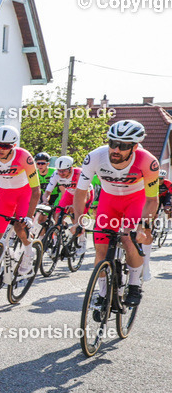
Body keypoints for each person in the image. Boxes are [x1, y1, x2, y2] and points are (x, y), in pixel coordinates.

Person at [73, 120, 159, 308]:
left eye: (123, 145)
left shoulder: (148, 161)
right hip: (108, 201)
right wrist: (77, 221)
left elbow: (152, 200)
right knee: (101, 250)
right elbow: (80, 192)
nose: (116, 149)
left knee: (130, 239)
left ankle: (135, 285)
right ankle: (103, 293)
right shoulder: (95, 156)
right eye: (112, 143)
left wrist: (143, 227)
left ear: (134, 147)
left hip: (135, 201)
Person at [0, 125, 41, 277]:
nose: (1, 149)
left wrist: (30, 216)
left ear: (13, 146)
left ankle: (28, 253)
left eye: (5, 146)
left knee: (20, 228)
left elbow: (36, 190)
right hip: (4, 194)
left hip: (24, 193)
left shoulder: (24, 157)